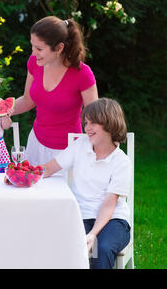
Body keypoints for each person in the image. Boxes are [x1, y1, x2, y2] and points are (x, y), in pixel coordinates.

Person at [43, 98, 131, 269]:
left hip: (113, 220)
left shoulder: (122, 162)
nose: (87, 128)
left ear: (109, 123)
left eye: (93, 123)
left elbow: (109, 205)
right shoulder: (80, 145)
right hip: (82, 215)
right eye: (86, 123)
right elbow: (49, 168)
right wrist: (22, 174)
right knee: (65, 245)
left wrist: (92, 234)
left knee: (103, 248)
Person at [11, 16, 98, 165]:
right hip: (36, 144)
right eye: (32, 46)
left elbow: (95, 119)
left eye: (39, 49)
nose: (33, 53)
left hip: (68, 151)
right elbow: (27, 100)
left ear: (59, 48)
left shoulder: (83, 74)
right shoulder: (34, 63)